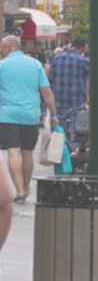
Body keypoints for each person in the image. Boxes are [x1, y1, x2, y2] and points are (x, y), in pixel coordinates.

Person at [0, 35, 58, 204]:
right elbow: (46, 91)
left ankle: (18, 190)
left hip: (7, 114)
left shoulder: (2, 66)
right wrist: (53, 114)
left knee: (12, 150)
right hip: (30, 115)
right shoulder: (35, 65)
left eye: (2, 47)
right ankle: (25, 188)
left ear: (9, 48)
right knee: (27, 153)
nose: (1, 50)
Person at [48, 38, 90, 146]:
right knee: (76, 129)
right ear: (81, 48)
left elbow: (50, 81)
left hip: (59, 100)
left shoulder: (56, 59)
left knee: (60, 129)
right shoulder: (83, 61)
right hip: (77, 100)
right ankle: (74, 152)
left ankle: (61, 152)